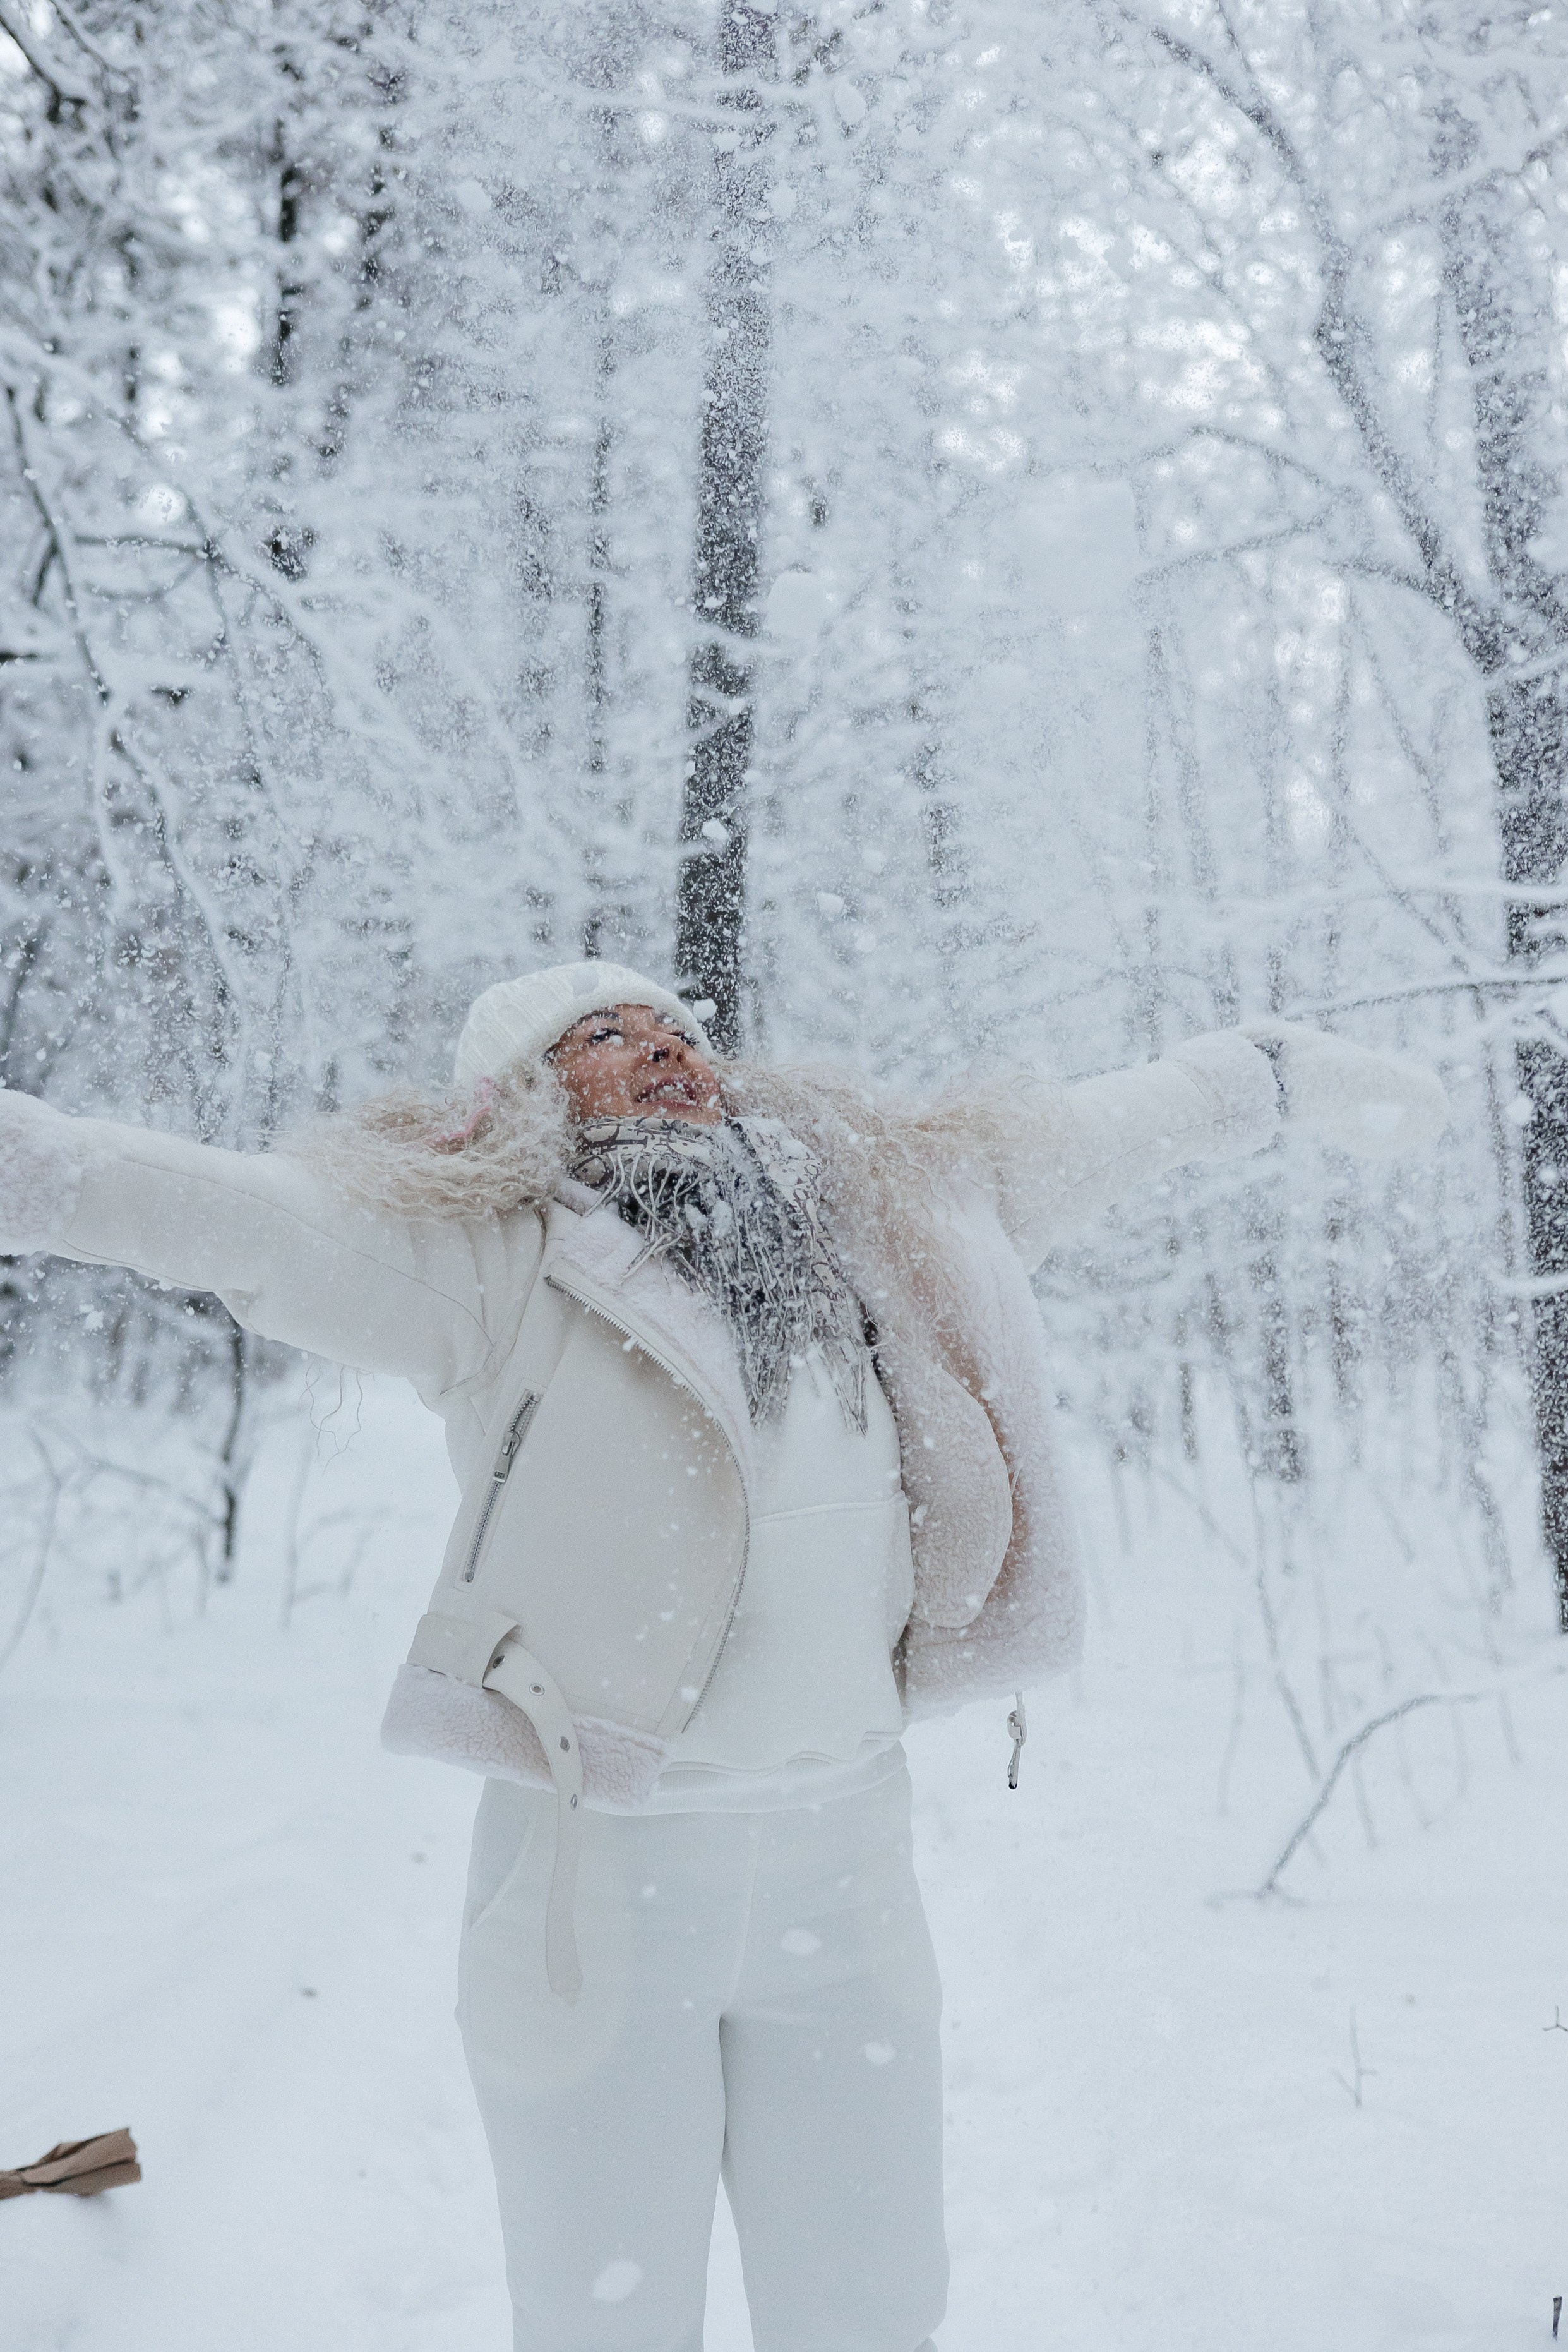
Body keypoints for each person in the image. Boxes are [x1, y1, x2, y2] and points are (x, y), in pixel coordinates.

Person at [0, 963, 1447, 2352]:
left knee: (872, 2308)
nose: (661, 1045)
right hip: (601, 1885)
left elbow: (1092, 1129)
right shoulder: (492, 1263)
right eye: (599, 1036)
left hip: (848, 1869)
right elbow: (224, 1216)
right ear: (524, 1101)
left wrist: (1270, 1073)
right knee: (604, 2317)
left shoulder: (878, 1214)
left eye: (668, 1021)